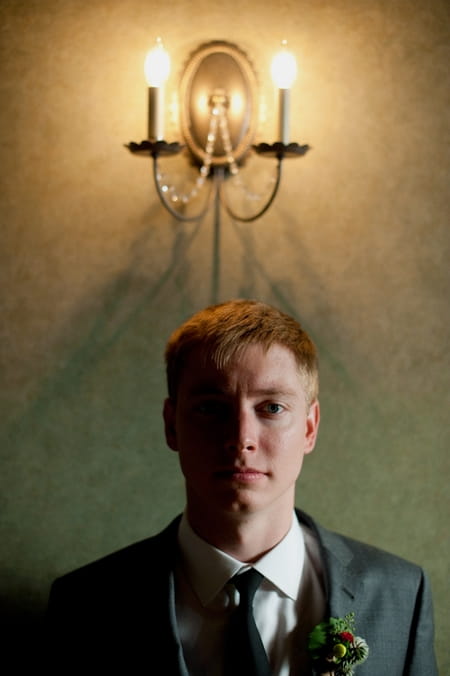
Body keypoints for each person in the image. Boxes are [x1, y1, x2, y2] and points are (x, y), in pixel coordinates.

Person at [46, 299, 438, 675]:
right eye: (211, 408)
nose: (240, 438)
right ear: (171, 425)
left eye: (271, 407)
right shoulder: (85, 603)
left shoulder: (401, 593)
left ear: (309, 427)